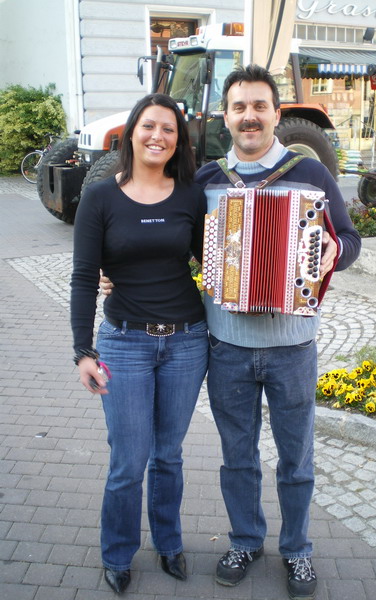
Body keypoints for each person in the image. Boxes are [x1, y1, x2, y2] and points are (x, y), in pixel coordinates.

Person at [194, 65, 361, 600]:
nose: (249, 116)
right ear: (226, 116)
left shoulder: (310, 174)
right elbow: (176, 246)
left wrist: (335, 250)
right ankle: (246, 541)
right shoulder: (207, 180)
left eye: (259, 106)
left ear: (276, 113)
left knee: (296, 460)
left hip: (293, 347)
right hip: (227, 347)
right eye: (239, 107)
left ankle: (297, 549)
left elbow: (349, 238)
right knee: (238, 458)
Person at [70, 93, 208, 594]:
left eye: (169, 129)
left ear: (179, 141)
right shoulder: (99, 198)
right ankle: (117, 553)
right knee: (128, 461)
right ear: (131, 133)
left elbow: (214, 264)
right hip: (124, 344)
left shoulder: (191, 195)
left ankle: (169, 544)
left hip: (187, 342)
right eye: (149, 126)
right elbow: (84, 277)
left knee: (168, 455)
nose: (158, 136)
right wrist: (82, 351)